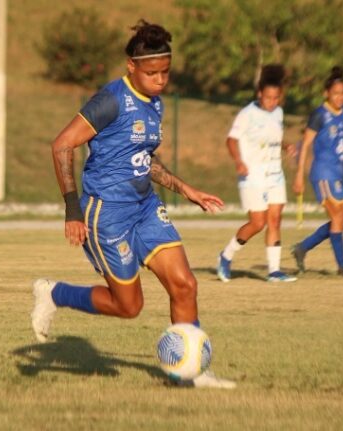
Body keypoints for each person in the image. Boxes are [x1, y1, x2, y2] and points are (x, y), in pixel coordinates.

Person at [30, 21, 235, 389]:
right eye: (152, 73)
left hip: (144, 208)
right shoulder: (110, 100)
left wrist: (186, 189)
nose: (160, 80)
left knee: (185, 285)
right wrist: (73, 211)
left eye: (165, 72)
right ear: (131, 66)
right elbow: (62, 145)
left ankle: (189, 374)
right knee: (129, 307)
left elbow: (142, 160)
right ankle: (54, 293)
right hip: (106, 214)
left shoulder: (155, 104)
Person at [217, 65, 297, 283]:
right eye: (268, 97)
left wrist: (286, 146)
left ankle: (274, 271)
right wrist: (238, 161)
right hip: (252, 176)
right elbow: (231, 140)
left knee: (275, 220)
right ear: (260, 94)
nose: (272, 102)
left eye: (276, 98)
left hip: (275, 175)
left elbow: (274, 137)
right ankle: (226, 255)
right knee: (257, 223)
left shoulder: (278, 113)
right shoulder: (247, 114)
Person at [291, 66, 343, 277]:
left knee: (342, 222)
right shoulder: (319, 115)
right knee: (337, 217)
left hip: (341, 174)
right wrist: (299, 175)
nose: (340, 97)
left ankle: (302, 247)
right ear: (326, 93)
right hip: (323, 174)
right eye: (335, 93)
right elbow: (305, 145)